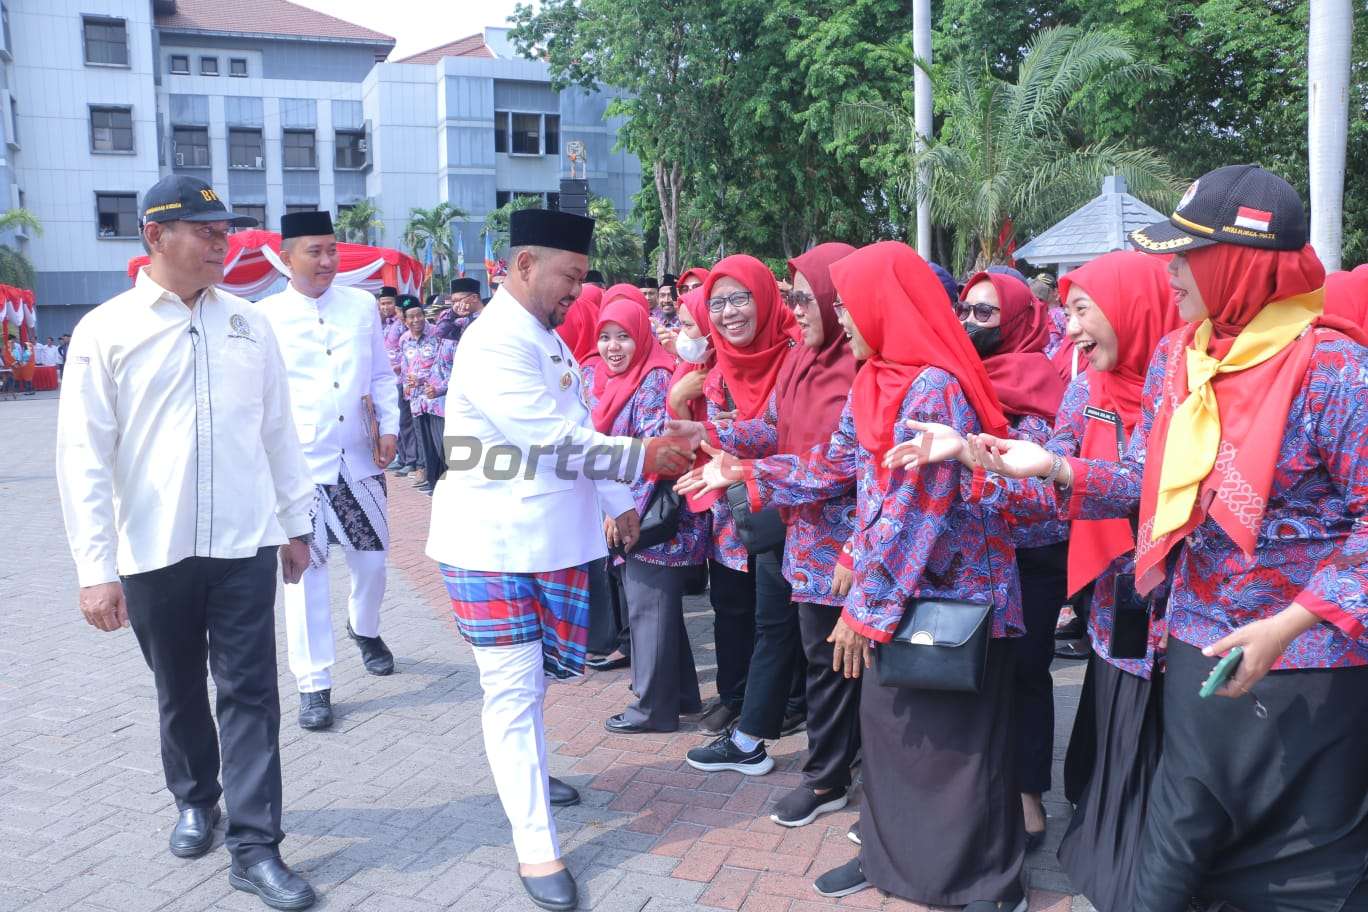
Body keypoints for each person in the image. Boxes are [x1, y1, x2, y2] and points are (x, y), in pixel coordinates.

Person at [972, 165, 1368, 912]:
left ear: (1241, 261)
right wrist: (1055, 464)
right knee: (1176, 849)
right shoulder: (1179, 358)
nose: (1172, 270)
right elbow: (1147, 488)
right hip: (1192, 643)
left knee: (1303, 871)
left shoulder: (1333, 370)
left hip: (1309, 666)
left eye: (1188, 254)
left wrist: (1286, 626)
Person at [679, 241, 1028, 910]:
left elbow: (916, 510)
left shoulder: (934, 387)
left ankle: (985, 881)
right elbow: (834, 466)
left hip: (949, 596)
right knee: (892, 734)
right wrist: (748, 470)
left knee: (955, 749)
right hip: (895, 592)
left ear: (883, 304)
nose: (841, 318)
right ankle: (890, 858)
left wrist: (865, 607)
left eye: (846, 304)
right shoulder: (876, 377)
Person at [888, 250, 1183, 910]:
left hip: (1186, 612)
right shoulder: (1085, 390)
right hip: (1112, 597)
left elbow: (1141, 485)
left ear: (1133, 309)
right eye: (1069, 312)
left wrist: (1048, 467)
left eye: (1082, 310)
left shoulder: (1185, 387)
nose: (1070, 329)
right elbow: (1054, 498)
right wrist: (975, 460)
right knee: (1111, 748)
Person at [55, 175, 319, 911]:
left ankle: (256, 846)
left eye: (223, 229)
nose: (218, 243)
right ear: (153, 237)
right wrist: (93, 569)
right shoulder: (107, 330)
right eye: (202, 231)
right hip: (153, 550)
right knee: (178, 691)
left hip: (243, 544)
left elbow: (278, 432)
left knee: (251, 695)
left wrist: (296, 524)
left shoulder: (248, 324)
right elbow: (82, 455)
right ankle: (197, 799)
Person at [425, 209, 693, 912]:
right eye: (569, 277)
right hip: (491, 545)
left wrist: (617, 498)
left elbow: (576, 427)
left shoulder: (543, 340)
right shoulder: (492, 344)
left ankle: (531, 778)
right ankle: (535, 843)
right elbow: (549, 439)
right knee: (512, 689)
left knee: (534, 684)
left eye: (581, 278)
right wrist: (641, 458)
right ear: (523, 266)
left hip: (546, 543)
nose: (579, 291)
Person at [683, 243, 862, 822]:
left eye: (804, 299)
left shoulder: (859, 366)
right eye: (792, 299)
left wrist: (743, 471)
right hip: (804, 539)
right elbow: (775, 428)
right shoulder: (803, 360)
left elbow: (840, 463)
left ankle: (831, 773)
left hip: (850, 547)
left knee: (840, 663)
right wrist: (715, 439)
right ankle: (832, 769)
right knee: (821, 658)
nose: (796, 310)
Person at [259, 210, 400, 732]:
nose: (325, 260)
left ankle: (364, 629)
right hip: (299, 472)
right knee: (305, 575)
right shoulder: (265, 316)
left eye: (332, 250)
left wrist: (390, 426)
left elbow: (382, 375)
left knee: (373, 564)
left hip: (359, 462)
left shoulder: (362, 306)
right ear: (286, 258)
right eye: (313, 251)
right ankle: (313, 682)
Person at [957, 269, 1068, 848]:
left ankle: (1027, 793)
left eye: (985, 314)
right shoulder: (956, 375)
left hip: (1032, 549)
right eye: (965, 309)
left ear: (1021, 319)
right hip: (975, 550)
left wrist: (978, 461)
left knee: (1026, 670)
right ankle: (976, 787)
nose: (970, 322)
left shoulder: (1041, 377)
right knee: (976, 670)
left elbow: (1049, 475)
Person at [683, 255, 798, 739]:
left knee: (782, 615)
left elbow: (800, 433)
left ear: (765, 298)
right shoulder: (717, 368)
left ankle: (787, 702)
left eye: (739, 298)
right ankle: (736, 697)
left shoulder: (796, 356)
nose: (728, 312)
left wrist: (727, 436)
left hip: (786, 506)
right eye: (717, 302)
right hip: (732, 511)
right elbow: (715, 434)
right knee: (732, 608)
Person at [591, 296, 708, 733]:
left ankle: (652, 710)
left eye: (623, 336)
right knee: (657, 610)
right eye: (604, 337)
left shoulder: (654, 379)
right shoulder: (617, 380)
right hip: (636, 511)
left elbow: (656, 456)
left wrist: (620, 511)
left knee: (648, 608)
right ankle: (680, 696)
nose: (613, 346)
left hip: (654, 516)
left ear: (641, 336)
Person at [398, 296, 446, 495]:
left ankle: (445, 479)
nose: (416, 320)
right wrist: (406, 386)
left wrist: (422, 380)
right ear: (405, 321)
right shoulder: (404, 340)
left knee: (440, 441)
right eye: (411, 317)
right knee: (423, 440)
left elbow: (440, 364)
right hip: (416, 399)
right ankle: (431, 479)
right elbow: (404, 367)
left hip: (435, 397)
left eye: (419, 315)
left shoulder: (436, 334)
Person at [379, 286, 421, 478]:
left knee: (406, 421)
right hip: (392, 379)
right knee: (398, 421)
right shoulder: (387, 324)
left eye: (391, 304)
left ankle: (411, 460)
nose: (387, 308)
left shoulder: (404, 326)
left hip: (403, 377)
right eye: (383, 304)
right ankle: (403, 457)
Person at [436, 277, 482, 341]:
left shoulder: (488, 314)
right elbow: (440, 333)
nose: (456, 305)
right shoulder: (458, 319)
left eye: (458, 300)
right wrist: (453, 313)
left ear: (474, 298)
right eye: (453, 302)